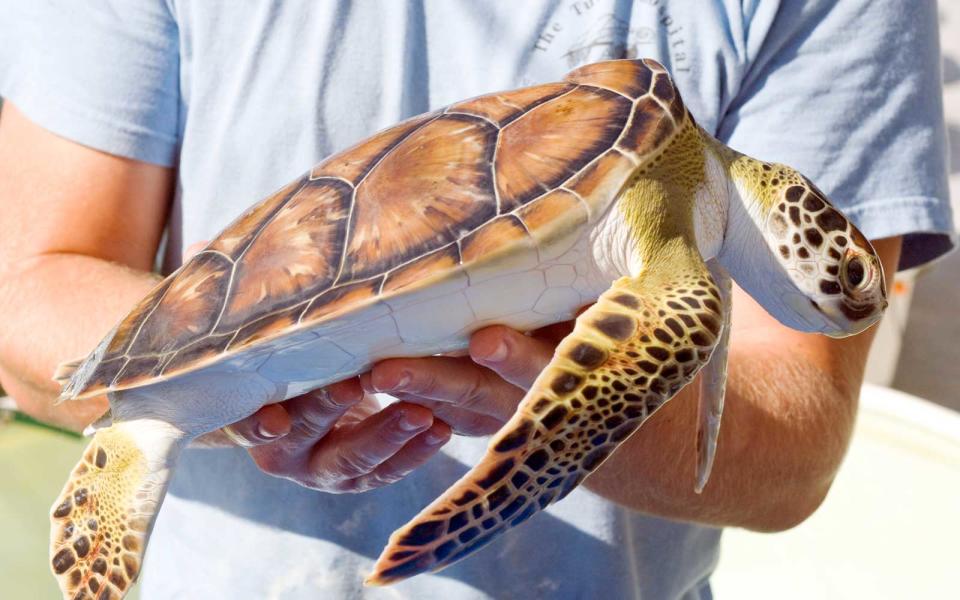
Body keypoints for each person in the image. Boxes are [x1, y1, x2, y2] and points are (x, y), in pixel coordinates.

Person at [0, 1, 952, 598]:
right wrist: (246, 401)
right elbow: (30, 292)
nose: (856, 292)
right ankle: (143, 431)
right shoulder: (682, 265)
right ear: (781, 215)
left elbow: (795, 444)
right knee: (681, 314)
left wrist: (534, 419)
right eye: (851, 275)